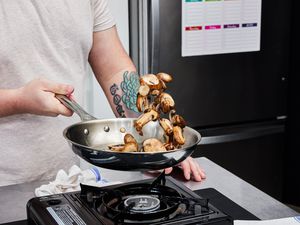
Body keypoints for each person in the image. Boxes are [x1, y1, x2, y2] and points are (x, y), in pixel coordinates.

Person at [0, 0, 205, 187]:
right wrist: (19, 100)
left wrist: (152, 143)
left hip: (64, 180)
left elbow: (114, 71)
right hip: (5, 182)